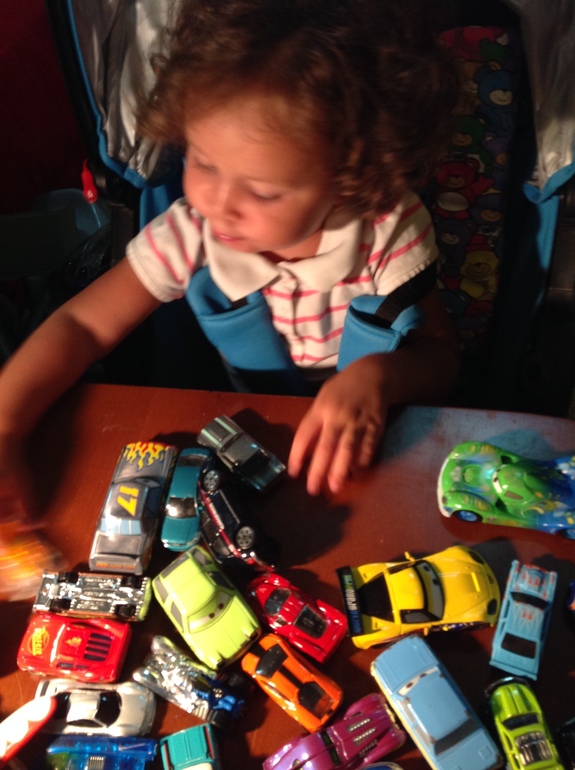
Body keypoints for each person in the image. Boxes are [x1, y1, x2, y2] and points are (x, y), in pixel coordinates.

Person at [0, 0, 460, 534]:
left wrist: (378, 377)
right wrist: (7, 426)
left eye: (262, 191)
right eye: (203, 161)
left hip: (374, 453)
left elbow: (442, 359)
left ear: (350, 181)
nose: (217, 203)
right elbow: (81, 325)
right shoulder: (193, 230)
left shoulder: (387, 232)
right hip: (255, 441)